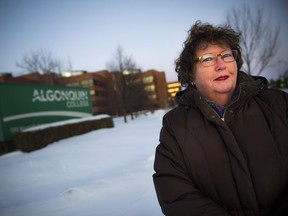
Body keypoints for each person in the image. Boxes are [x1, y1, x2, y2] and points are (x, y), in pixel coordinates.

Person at [153, 21, 288, 216]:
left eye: (226, 55)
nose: (221, 64)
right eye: (207, 58)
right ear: (191, 74)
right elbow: (174, 193)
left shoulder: (278, 104)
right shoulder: (175, 126)